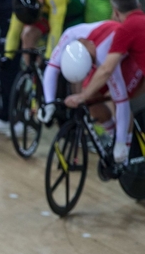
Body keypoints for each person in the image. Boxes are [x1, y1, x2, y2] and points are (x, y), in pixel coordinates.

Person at [41, 21, 144, 163]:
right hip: (99, 51)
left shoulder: (103, 56)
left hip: (126, 61)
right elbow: (52, 68)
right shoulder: (70, 35)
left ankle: (125, 149)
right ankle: (111, 135)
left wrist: (120, 143)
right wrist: (49, 103)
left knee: (118, 96)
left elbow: (122, 101)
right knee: (90, 97)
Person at [65, 0, 145, 108]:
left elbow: (107, 69)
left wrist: (83, 96)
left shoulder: (125, 29)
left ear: (116, 12)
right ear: (139, 6)